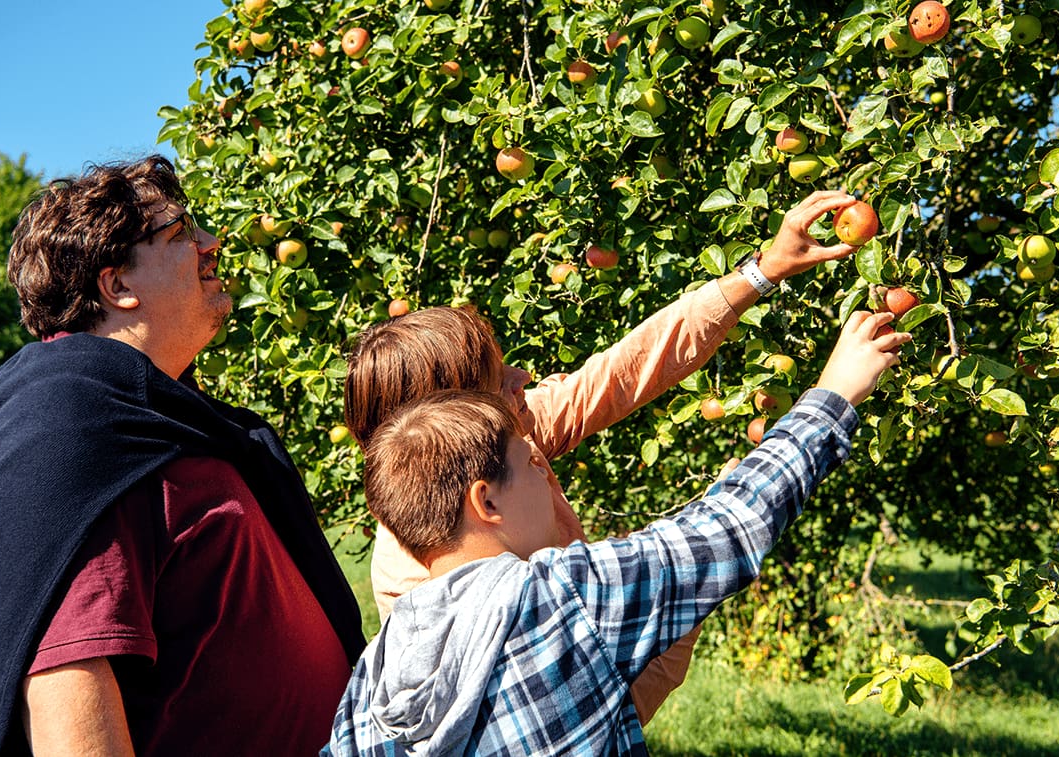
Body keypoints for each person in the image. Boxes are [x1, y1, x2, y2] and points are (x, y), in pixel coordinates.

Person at [343, 190, 865, 722]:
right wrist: (696, 562)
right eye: (499, 380)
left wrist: (764, 270)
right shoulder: (427, 581)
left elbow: (623, 370)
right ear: (450, 425)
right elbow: (596, 709)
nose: (525, 377)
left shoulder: (507, 441)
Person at [329, 310, 909, 755]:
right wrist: (834, 395)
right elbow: (729, 528)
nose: (544, 468)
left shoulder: (370, 681)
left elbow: (614, 376)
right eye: (530, 464)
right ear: (485, 500)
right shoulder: (564, 596)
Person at [0, 155, 366, 756]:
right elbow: (67, 682)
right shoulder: (72, 432)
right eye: (180, 235)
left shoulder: (157, 427)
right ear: (118, 286)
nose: (211, 243)